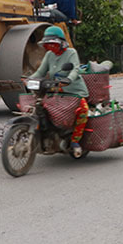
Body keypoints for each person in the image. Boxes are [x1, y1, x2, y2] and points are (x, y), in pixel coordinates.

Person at [30, 26, 89, 157]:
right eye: (48, 44)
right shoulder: (49, 55)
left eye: (53, 44)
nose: (50, 47)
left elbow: (75, 69)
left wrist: (69, 79)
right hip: (55, 91)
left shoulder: (71, 53)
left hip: (74, 91)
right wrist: (28, 79)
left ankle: (75, 141)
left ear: (61, 43)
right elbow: (41, 71)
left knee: (83, 110)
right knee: (41, 108)